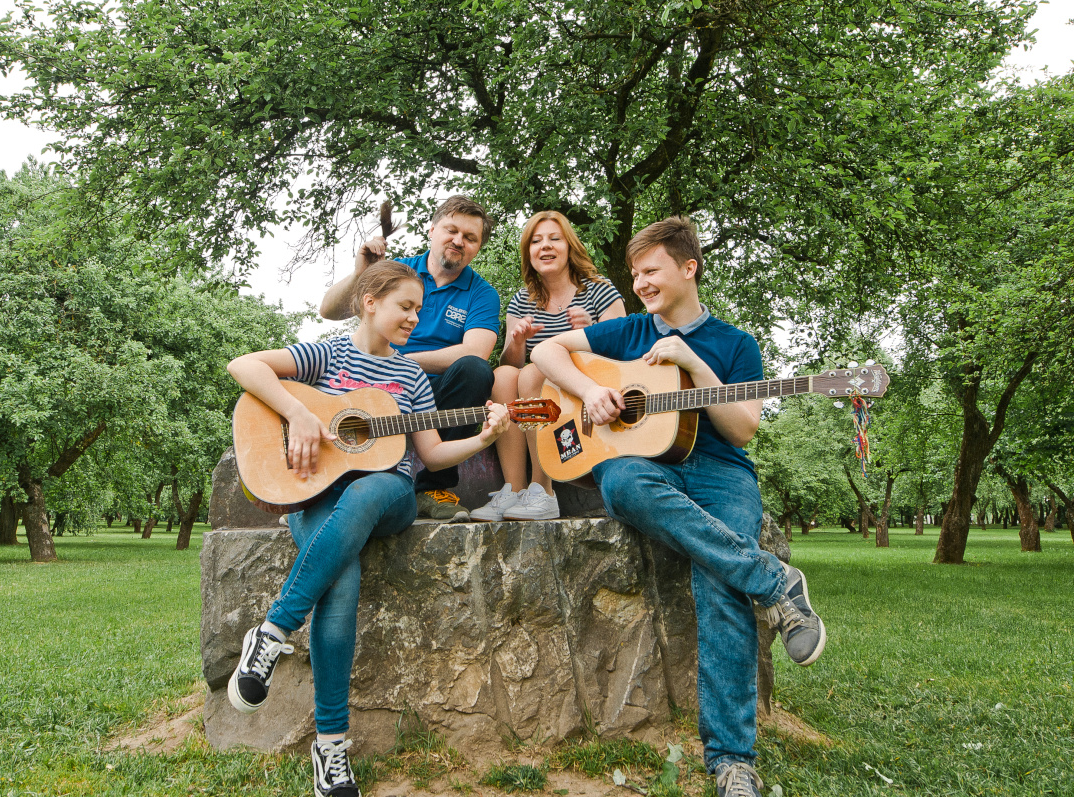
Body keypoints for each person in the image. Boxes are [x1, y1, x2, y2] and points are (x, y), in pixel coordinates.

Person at [531, 217, 826, 797]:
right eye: (635, 273)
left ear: (688, 268)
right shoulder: (630, 331)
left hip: (720, 473)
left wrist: (694, 364)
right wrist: (591, 391)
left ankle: (732, 762)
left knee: (719, 584)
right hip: (648, 469)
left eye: (651, 271)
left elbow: (742, 431)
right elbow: (545, 351)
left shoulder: (737, 344)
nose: (640, 282)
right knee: (618, 483)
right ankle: (773, 581)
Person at [227, 260, 509, 797]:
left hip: (390, 497)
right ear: (369, 301)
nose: (414, 318)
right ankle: (331, 749)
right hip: (314, 494)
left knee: (370, 487)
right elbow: (245, 365)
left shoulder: (411, 378)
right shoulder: (327, 353)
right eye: (406, 307)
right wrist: (301, 413)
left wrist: (484, 438)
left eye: (420, 310)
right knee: (342, 581)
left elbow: (430, 451)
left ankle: (273, 632)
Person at [320, 196, 500, 521]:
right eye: (452, 230)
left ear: (478, 248)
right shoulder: (399, 272)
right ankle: (321, 488)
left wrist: (404, 363)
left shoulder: (482, 293)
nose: (459, 241)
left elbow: (476, 351)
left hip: (437, 391)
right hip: (375, 386)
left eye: (470, 237)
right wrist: (360, 272)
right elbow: (329, 311)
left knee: (475, 369)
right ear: (432, 230)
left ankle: (432, 489)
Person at [469, 211, 625, 521]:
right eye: (537, 241)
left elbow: (623, 351)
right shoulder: (521, 301)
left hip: (584, 393)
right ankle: (514, 489)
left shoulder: (599, 289)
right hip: (539, 397)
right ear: (528, 252)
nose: (546, 246)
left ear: (570, 246)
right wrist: (516, 342)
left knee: (532, 371)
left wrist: (592, 330)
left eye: (555, 239)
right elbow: (511, 365)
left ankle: (544, 490)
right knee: (503, 374)